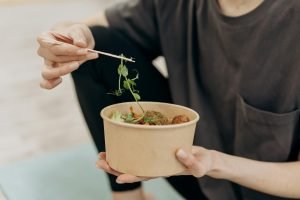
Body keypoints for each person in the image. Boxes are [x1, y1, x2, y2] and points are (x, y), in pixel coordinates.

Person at [36, 0, 300, 199]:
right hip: (190, 169)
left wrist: (216, 163)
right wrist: (64, 41)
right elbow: (82, 28)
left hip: (268, 189)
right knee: (95, 51)